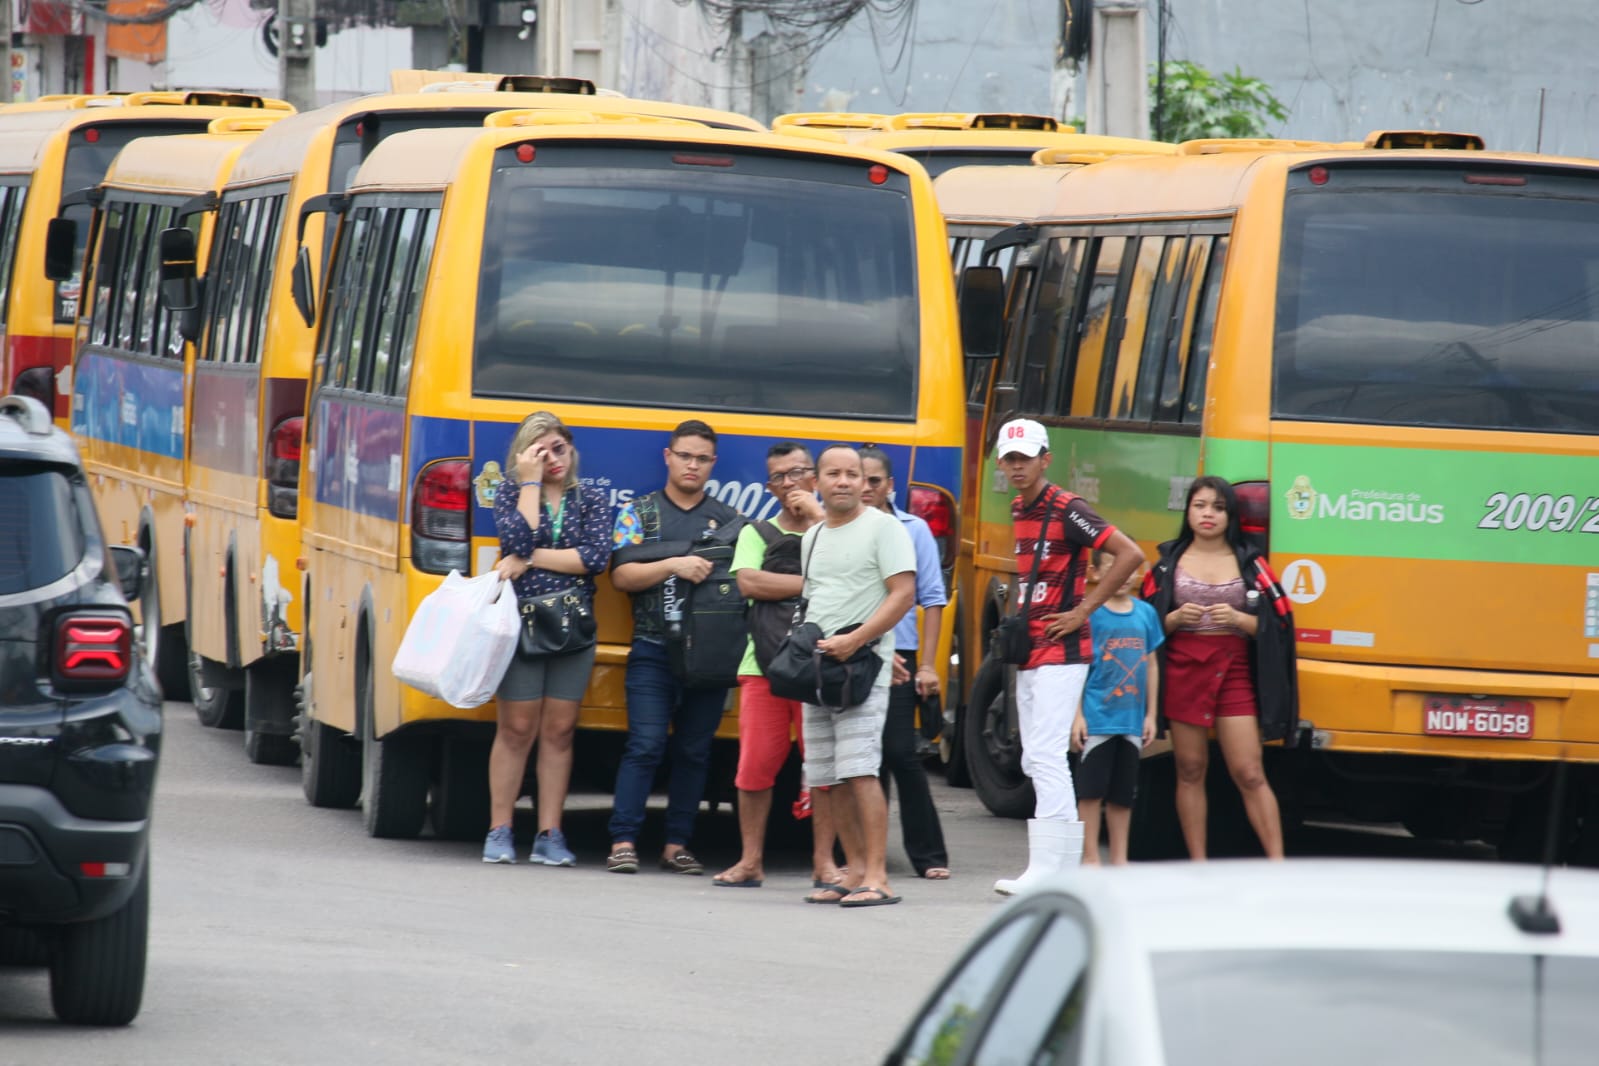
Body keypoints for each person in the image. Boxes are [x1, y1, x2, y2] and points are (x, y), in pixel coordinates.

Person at [992, 418, 1144, 896]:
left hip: (1063, 646)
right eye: (1010, 458)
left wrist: (1082, 611)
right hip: (1032, 645)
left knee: (1046, 752)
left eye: (1026, 457)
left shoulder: (1067, 507)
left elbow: (1129, 553)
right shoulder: (1019, 507)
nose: (1018, 466)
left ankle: (1049, 870)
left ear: (1045, 459)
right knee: (1036, 757)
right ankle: (1055, 868)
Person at [606, 420, 741, 875]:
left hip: (709, 657)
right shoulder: (638, 513)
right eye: (685, 455)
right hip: (652, 647)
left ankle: (676, 845)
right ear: (668, 456)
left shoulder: (729, 521)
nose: (692, 465)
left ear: (713, 464)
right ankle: (623, 841)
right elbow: (622, 577)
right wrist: (673, 565)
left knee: (694, 751)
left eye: (702, 458)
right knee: (644, 746)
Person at [711, 443, 846, 891]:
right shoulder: (756, 532)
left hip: (821, 664)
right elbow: (748, 582)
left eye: (796, 474)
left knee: (824, 767)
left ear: (815, 478)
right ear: (768, 488)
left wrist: (817, 519)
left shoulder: (837, 529)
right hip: (763, 665)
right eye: (778, 478)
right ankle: (750, 860)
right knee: (753, 766)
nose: (787, 485)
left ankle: (825, 863)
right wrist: (814, 585)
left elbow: (851, 576)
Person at [1141, 475, 1296, 860]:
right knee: (1190, 769)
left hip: (1235, 671)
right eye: (1200, 506)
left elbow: (1280, 625)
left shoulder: (1253, 564)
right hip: (1182, 669)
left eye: (1218, 507)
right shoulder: (1166, 564)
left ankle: (1278, 864)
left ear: (1231, 516)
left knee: (1249, 772)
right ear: (1188, 511)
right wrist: (1174, 619)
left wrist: (1239, 620)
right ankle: (1198, 864)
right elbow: (1141, 624)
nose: (1208, 514)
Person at [483, 411, 613, 865]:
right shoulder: (510, 492)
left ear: (572, 449)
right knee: (516, 728)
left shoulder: (591, 497)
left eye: (560, 448)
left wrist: (529, 560)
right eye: (542, 451)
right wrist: (530, 483)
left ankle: (549, 833)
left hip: (573, 626)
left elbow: (595, 558)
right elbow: (515, 538)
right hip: (520, 624)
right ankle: (500, 829)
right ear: (525, 456)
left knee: (559, 731)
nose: (554, 458)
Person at [799, 445, 916, 908]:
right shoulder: (813, 537)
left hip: (862, 668)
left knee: (862, 771)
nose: (844, 481)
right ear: (817, 482)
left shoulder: (884, 528)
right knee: (828, 776)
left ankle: (879, 877)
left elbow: (903, 594)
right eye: (834, 473)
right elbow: (816, 601)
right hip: (818, 669)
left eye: (853, 474)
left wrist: (859, 640)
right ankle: (853, 873)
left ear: (867, 482)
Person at [858, 445, 951, 881]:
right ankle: (862, 856)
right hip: (854, 650)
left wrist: (928, 666)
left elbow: (932, 599)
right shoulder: (836, 527)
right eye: (858, 479)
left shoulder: (914, 531)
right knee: (861, 759)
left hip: (902, 655)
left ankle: (929, 854)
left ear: (889, 486)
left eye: (874, 481)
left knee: (900, 751)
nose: (865, 488)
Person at [1070, 551, 1163, 865]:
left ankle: (1120, 860)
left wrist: (1151, 715)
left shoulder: (1146, 614)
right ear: (1095, 572)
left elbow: (1151, 665)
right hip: (1097, 720)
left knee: (1123, 795)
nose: (1123, 577)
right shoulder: (1090, 616)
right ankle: (1091, 856)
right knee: (1091, 793)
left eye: (1129, 570)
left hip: (1132, 721)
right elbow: (1078, 668)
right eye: (1113, 569)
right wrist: (1077, 715)